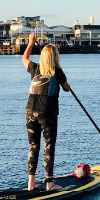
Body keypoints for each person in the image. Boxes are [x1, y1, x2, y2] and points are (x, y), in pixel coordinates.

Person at [22, 31, 71, 191]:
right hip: (47, 113)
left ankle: (31, 184)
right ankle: (49, 183)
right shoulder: (57, 71)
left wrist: (30, 43)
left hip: (30, 112)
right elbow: (65, 88)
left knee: (33, 146)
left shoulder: (34, 68)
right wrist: (67, 86)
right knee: (49, 145)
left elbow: (24, 59)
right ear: (55, 58)